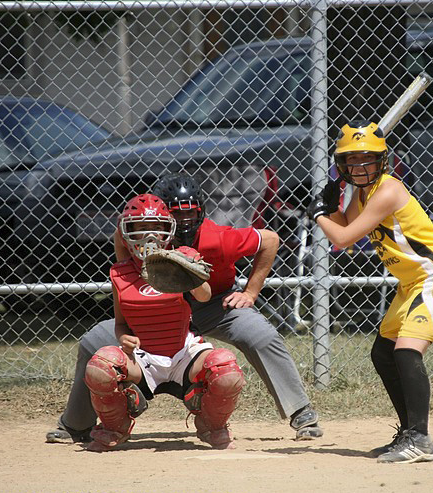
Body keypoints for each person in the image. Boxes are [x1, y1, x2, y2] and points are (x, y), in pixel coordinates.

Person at [47, 174, 322, 445]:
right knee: (93, 340)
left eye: (190, 214)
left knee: (260, 335)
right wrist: (132, 284)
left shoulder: (215, 237)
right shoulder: (139, 231)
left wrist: (250, 292)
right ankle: (76, 424)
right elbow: (121, 241)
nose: (184, 222)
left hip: (215, 304)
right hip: (158, 308)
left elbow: (270, 240)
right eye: (176, 215)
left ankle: (301, 412)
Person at [308, 120, 433, 464]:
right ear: (342, 165)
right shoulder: (363, 193)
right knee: (383, 352)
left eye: (367, 159)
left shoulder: (388, 191)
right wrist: (333, 205)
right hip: (411, 283)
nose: (360, 167)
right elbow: (346, 228)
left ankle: (421, 439)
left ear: (382, 160)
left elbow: (342, 238)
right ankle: (409, 432)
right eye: (352, 160)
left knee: (407, 350)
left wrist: (319, 215)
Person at [84, 193, 245, 451]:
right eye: (140, 228)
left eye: (157, 228)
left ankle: (211, 424)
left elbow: (203, 296)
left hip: (184, 352)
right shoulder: (120, 272)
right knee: (101, 365)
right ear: (125, 232)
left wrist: (187, 271)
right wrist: (124, 337)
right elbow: (121, 324)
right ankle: (115, 425)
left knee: (225, 368)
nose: (149, 236)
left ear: (168, 230)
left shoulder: (182, 255)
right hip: (143, 357)